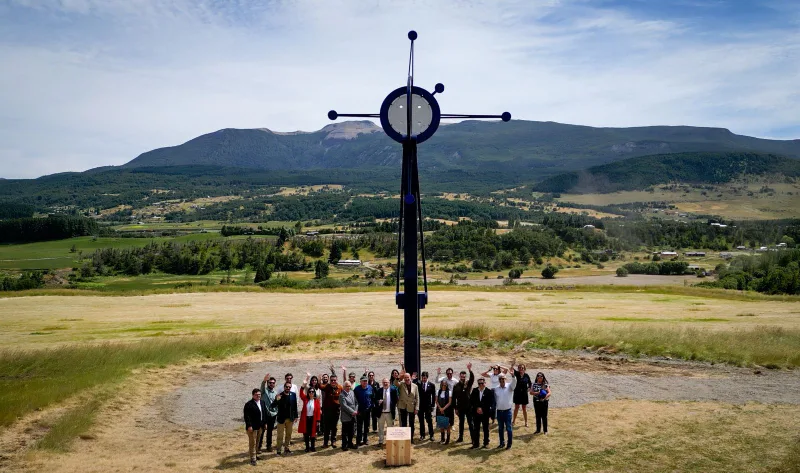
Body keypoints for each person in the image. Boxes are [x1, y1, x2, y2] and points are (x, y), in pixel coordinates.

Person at [271, 381, 298, 456]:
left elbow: (295, 406)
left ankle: (287, 448)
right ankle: (278, 450)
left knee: (289, 434)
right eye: (286, 387)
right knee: (280, 435)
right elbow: (272, 406)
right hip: (281, 419)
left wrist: (296, 416)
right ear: (284, 387)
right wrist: (276, 399)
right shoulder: (280, 395)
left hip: (290, 419)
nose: (288, 388)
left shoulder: (293, 395)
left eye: (289, 387)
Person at [318, 365, 343, 448]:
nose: (333, 382)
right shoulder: (327, 387)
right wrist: (319, 379)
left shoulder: (340, 387)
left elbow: (344, 395)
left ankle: (333, 441)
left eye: (334, 380)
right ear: (330, 380)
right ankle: (325, 442)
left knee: (334, 427)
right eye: (331, 380)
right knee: (326, 427)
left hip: (336, 411)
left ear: (336, 380)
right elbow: (319, 386)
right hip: (327, 410)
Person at [394, 366, 420, 442]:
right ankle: (404, 438)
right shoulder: (401, 384)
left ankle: (411, 438)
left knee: (411, 423)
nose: (407, 379)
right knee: (404, 423)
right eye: (405, 377)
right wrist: (399, 377)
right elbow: (395, 383)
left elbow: (417, 397)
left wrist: (417, 408)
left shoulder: (415, 386)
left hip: (411, 407)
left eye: (408, 377)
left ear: (410, 378)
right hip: (403, 406)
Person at [244, 388, 268, 466]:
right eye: (256, 395)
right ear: (253, 395)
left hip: (260, 426)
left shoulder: (262, 402)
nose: (258, 396)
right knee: (253, 443)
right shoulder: (249, 404)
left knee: (258, 441)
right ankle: (253, 459)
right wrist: (249, 426)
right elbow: (246, 416)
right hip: (252, 427)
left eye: (259, 394)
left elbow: (264, 413)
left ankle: (256, 455)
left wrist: (265, 423)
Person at [452, 363, 474, 443]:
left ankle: (473, 439)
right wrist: (455, 408)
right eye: (461, 377)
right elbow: (454, 398)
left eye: (464, 377)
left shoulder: (468, 384)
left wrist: (470, 370)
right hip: (460, 407)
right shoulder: (456, 386)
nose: (463, 378)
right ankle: (460, 438)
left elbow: (472, 378)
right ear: (459, 376)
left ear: (465, 377)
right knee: (461, 423)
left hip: (468, 407)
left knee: (470, 423)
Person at [493, 372, 516, 449]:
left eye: (503, 379)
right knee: (500, 428)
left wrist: (513, 376)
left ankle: (509, 444)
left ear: (505, 379)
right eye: (500, 379)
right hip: (499, 411)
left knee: (508, 428)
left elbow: (514, 383)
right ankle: (501, 443)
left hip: (507, 411)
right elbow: (495, 400)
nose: (501, 380)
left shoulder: (510, 386)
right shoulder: (496, 389)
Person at [469, 377, 494, 449]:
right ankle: (476, 443)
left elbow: (490, 403)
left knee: (485, 428)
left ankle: (486, 443)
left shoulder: (489, 392)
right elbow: (472, 401)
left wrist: (482, 409)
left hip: (485, 413)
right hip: (476, 413)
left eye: (482, 383)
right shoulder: (474, 391)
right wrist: (477, 408)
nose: (481, 385)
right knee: (476, 428)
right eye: (479, 383)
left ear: (485, 383)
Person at [299, 375, 322, 452]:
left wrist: (318, 421)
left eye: (312, 392)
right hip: (306, 419)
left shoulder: (316, 401)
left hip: (313, 419)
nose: (311, 393)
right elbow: (301, 393)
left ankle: (312, 447)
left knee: (313, 433)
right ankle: (307, 447)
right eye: (310, 392)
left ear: (314, 393)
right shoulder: (305, 399)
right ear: (308, 393)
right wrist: (302, 386)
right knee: (306, 433)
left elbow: (318, 411)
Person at [375, 377, 398, 446]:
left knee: (390, 428)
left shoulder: (393, 390)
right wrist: (378, 401)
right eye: (384, 382)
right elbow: (375, 400)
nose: (385, 383)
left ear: (389, 383)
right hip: (381, 413)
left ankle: (390, 441)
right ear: (382, 383)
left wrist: (392, 405)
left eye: (387, 382)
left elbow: (396, 399)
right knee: (380, 428)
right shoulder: (379, 390)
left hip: (389, 413)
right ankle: (380, 441)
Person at [259, 374, 279, 453]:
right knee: (262, 431)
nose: (271, 384)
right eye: (270, 383)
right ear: (268, 383)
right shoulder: (264, 391)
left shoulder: (275, 393)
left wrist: (276, 412)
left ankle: (269, 446)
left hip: (272, 415)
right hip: (264, 415)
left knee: (270, 431)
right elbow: (261, 388)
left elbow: (277, 404)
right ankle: (259, 447)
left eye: (273, 383)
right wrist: (264, 381)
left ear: (275, 384)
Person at [415, 371, 436, 441]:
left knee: (429, 420)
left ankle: (431, 435)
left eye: (425, 378)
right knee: (421, 421)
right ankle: (422, 435)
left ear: (427, 377)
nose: (424, 379)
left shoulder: (432, 385)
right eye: (423, 378)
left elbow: (433, 396)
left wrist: (433, 405)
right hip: (420, 406)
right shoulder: (418, 384)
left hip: (428, 406)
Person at [353, 375, 373, 446]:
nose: (365, 382)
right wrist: (355, 409)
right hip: (359, 411)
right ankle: (359, 440)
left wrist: (371, 406)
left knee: (366, 426)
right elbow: (354, 400)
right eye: (363, 381)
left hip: (367, 410)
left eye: (366, 381)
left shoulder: (370, 387)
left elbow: (372, 397)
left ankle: (365, 439)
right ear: (360, 382)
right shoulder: (356, 389)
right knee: (359, 426)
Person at [511, 361, 532, 427]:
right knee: (516, 407)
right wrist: (512, 364)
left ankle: (526, 422)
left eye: (522, 368)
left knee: (524, 408)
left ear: (524, 369)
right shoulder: (516, 374)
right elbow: (511, 369)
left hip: (524, 394)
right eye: (519, 367)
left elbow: (530, 383)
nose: (521, 369)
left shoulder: (526, 375)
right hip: (517, 393)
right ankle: (513, 421)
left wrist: (529, 388)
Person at [339, 381, 358, 451]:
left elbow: (356, 402)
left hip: (353, 416)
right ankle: (344, 445)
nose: (348, 387)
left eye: (349, 386)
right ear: (344, 387)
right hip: (346, 417)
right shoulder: (341, 395)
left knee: (351, 431)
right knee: (345, 432)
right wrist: (352, 412)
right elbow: (344, 406)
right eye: (347, 386)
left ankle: (350, 443)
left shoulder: (352, 392)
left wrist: (355, 410)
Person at [435, 379, 453, 444]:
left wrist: (443, 409)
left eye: (445, 385)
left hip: (447, 411)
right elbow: (436, 401)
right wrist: (440, 408)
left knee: (448, 426)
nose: (444, 386)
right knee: (441, 425)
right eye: (442, 385)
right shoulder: (438, 391)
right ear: (441, 385)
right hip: (439, 410)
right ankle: (442, 439)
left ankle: (447, 440)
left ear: (447, 385)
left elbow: (450, 402)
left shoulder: (449, 392)